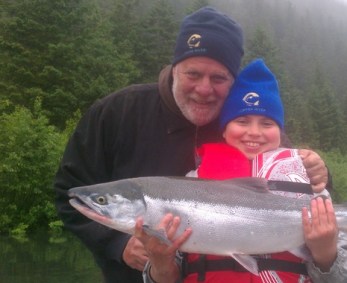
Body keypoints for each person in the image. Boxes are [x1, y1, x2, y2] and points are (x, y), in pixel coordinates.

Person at [54, 6, 330, 283]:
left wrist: (318, 171)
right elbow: (69, 192)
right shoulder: (117, 112)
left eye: (218, 78)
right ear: (175, 69)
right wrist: (116, 244)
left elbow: (305, 190)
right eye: (193, 74)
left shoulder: (243, 126)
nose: (204, 89)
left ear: (232, 82)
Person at [136, 59, 346, 283]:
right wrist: (159, 263)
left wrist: (325, 254)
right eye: (242, 121)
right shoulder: (192, 183)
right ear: (224, 130)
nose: (254, 132)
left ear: (280, 131)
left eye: (267, 123)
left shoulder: (309, 183)